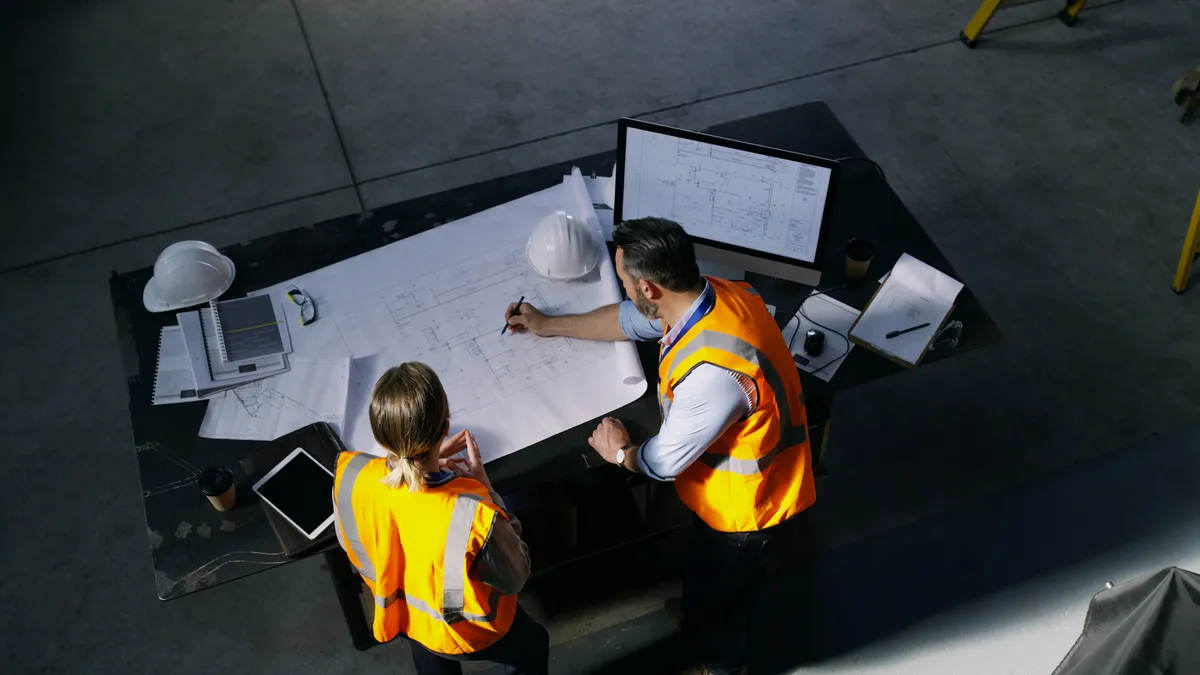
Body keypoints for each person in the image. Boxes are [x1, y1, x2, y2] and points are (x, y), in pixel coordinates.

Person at [504, 217, 816, 675]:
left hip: (748, 510)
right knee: (711, 582)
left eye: (625, 281)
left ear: (650, 288)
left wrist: (618, 452)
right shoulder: (715, 295)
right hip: (741, 487)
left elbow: (662, 462)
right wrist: (549, 325)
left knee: (723, 597)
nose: (624, 289)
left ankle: (724, 663)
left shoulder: (714, 375)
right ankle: (701, 616)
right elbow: (630, 321)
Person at [332, 362, 548, 675]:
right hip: (465, 633)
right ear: (444, 427)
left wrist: (424, 463)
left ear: (381, 437)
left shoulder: (352, 475)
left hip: (406, 619)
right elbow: (515, 576)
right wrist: (486, 489)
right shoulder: (472, 515)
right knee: (533, 647)